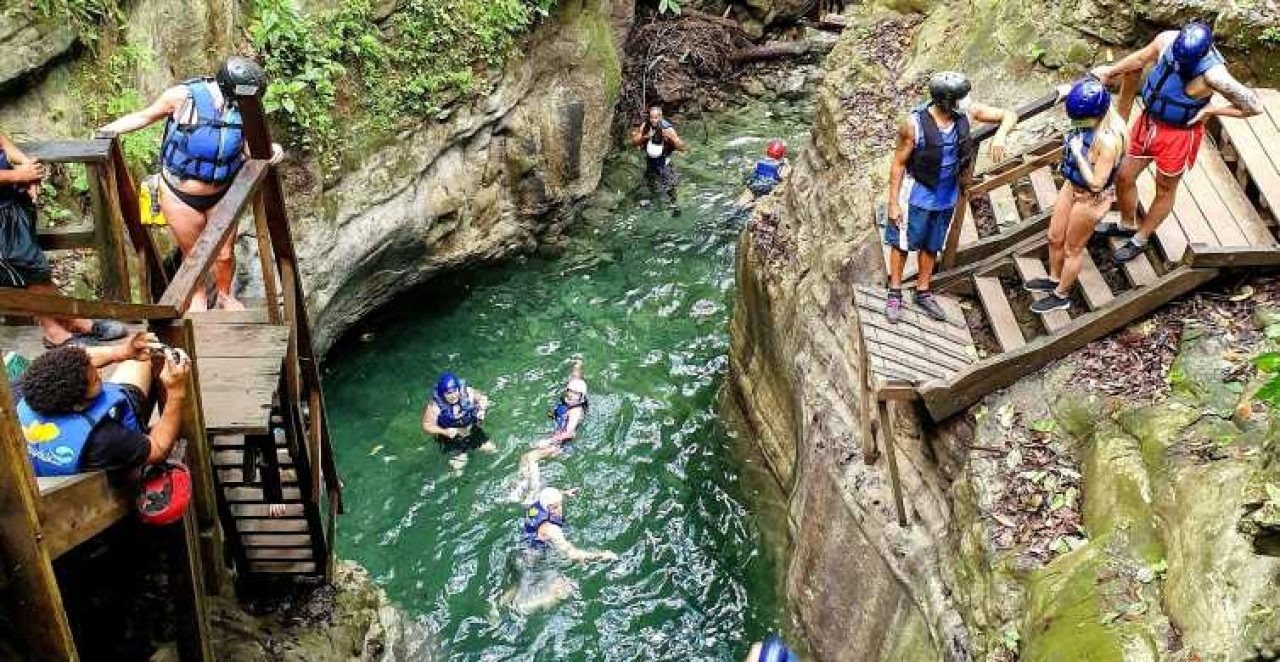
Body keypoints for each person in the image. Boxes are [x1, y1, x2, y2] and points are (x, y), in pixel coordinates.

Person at [98, 55, 285, 311]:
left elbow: (249, 149)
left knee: (225, 254)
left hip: (223, 192)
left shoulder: (242, 108)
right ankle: (197, 295)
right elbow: (144, 117)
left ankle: (224, 295)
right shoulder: (184, 97)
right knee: (193, 252)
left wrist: (271, 149)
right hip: (179, 193)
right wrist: (105, 132)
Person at [1091, 22, 1261, 262]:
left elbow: (1254, 107)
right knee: (1123, 175)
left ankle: (1140, 238)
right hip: (1148, 121)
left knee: (1164, 188)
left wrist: (1212, 110)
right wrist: (1111, 71)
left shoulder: (1214, 75)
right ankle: (1127, 224)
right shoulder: (1167, 40)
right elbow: (1139, 59)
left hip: (1179, 134)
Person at [886, 71, 1017, 323]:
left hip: (946, 194)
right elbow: (898, 164)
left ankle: (923, 291)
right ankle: (895, 292)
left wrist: (1000, 135)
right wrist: (893, 203)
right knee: (902, 241)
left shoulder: (966, 113)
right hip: (916, 193)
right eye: (961, 97)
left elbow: (1009, 114)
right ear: (947, 101)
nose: (966, 101)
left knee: (932, 243)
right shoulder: (913, 125)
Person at [0, 133, 127, 348]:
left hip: (11, 205)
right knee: (29, 270)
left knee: (34, 270)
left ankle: (70, 322)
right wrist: (17, 175)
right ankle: (56, 330)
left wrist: (26, 166)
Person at [18, 332, 190, 476]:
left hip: (46, 480)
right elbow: (159, 449)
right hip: (105, 482)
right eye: (95, 379)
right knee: (143, 362)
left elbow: (76, 359)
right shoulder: (105, 439)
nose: (99, 372)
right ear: (79, 406)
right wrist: (175, 391)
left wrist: (121, 352)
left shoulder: (22, 391)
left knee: (136, 359)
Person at [1024, 78, 1127, 314]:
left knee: (1073, 248)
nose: (1076, 123)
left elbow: (1097, 184)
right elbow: (1090, 87)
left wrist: (1079, 155)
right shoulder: (1089, 117)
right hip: (1071, 187)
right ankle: (1053, 278)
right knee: (1054, 236)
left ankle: (1061, 295)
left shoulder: (1107, 142)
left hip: (1091, 199)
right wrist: (1067, 92)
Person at [499, 485, 617, 613]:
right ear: (548, 507)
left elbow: (545, 497)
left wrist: (565, 494)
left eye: (559, 505)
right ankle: (526, 607)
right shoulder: (551, 529)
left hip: (518, 555)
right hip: (536, 563)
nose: (559, 510)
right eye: (554, 507)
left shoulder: (535, 506)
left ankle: (498, 605)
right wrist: (600, 556)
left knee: (520, 582)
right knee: (564, 589)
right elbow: (572, 554)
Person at [420, 372, 495, 470]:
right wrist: (444, 432)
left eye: (455, 391)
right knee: (458, 468)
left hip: (470, 429)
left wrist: (482, 408)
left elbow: (483, 397)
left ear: (458, 388)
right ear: (442, 394)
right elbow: (426, 425)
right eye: (448, 393)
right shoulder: (435, 406)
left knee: (491, 450)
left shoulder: (468, 392)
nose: (453, 396)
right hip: (450, 437)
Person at [630, 106, 687, 216]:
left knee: (669, 185)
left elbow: (683, 148)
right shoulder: (646, 126)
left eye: (656, 117)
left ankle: (674, 204)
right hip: (650, 161)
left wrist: (673, 139)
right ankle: (655, 202)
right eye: (651, 117)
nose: (653, 120)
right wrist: (645, 137)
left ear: (660, 117)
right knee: (651, 182)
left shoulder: (668, 129)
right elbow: (634, 142)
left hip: (664, 162)